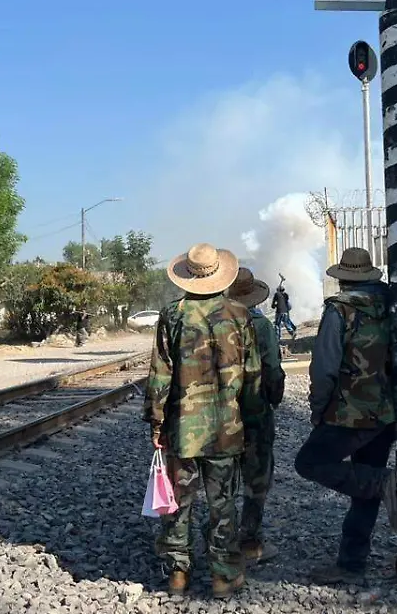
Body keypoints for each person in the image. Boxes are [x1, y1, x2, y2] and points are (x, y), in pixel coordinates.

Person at [143, 242, 265, 599]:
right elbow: (253, 375)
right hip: (227, 429)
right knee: (222, 502)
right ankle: (223, 576)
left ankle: (178, 574)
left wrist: (156, 423)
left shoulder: (172, 315)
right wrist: (254, 423)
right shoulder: (240, 315)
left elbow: (159, 375)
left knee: (178, 501)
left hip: (182, 428)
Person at [294, 247, 397, 586]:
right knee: (364, 481)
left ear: (342, 279)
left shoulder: (339, 310)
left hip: (349, 413)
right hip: (386, 412)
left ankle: (384, 483)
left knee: (309, 463)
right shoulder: (393, 304)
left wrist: (318, 410)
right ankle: (352, 563)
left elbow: (324, 368)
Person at [226, 268, 286, 564]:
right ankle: (249, 541)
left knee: (222, 479)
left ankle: (220, 541)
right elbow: (273, 370)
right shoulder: (261, 326)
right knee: (257, 478)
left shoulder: (215, 320)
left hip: (218, 413)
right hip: (254, 411)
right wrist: (273, 399)